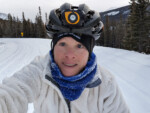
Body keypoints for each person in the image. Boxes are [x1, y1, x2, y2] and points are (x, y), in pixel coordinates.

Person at [0, 3, 130, 113]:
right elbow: (11, 94)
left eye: (79, 46)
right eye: (62, 44)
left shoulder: (106, 84)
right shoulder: (40, 71)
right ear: (53, 46)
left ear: (90, 51)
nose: (69, 54)